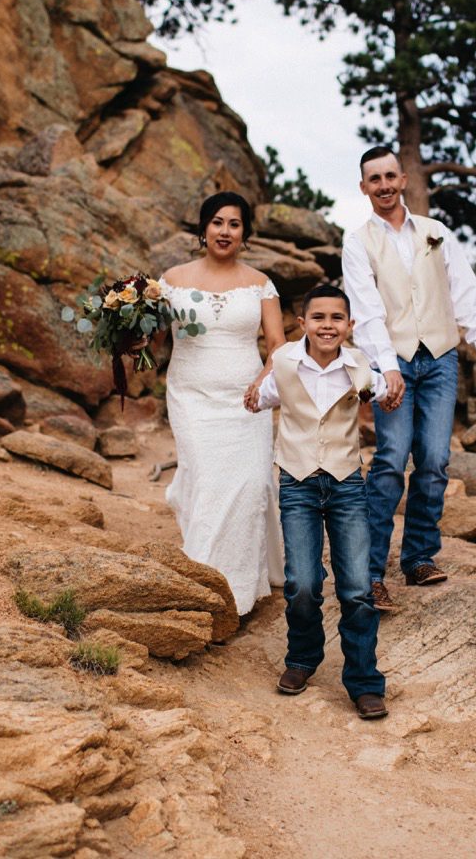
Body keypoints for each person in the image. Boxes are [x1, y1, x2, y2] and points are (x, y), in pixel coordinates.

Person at [341, 146, 476, 612]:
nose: (385, 185)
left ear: (404, 178)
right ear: (364, 187)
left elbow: (464, 288)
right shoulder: (358, 242)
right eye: (375, 179)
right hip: (388, 362)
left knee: (433, 460)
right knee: (391, 459)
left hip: (439, 359)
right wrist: (386, 366)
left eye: (391, 175)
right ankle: (369, 573)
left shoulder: (435, 233)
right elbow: (366, 309)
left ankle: (418, 558)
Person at [246, 284, 395, 719]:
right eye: (319, 318)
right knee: (303, 583)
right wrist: (251, 399)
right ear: (303, 323)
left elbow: (387, 391)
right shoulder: (286, 363)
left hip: (347, 482)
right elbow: (263, 398)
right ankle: (302, 658)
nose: (327, 326)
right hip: (297, 481)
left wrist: (394, 388)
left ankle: (365, 682)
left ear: (349, 325)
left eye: (336, 319)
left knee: (356, 588)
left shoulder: (362, 366)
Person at [161, 191, 286, 616]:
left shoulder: (260, 284)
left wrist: (262, 382)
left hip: (247, 402)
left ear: (244, 234)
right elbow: (151, 338)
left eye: (234, 224)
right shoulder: (172, 280)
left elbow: (277, 347)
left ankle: (238, 590)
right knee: (208, 484)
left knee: (251, 486)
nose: (225, 231)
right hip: (191, 396)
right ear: (203, 228)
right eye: (217, 222)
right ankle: (204, 581)